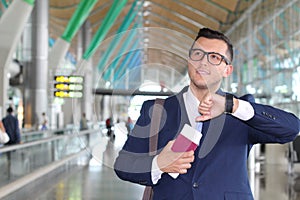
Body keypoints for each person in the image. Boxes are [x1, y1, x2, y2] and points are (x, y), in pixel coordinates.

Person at [114, 28, 300, 199]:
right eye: (197, 54)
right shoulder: (155, 110)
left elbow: (291, 128)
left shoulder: (240, 112)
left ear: (228, 70)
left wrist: (232, 106)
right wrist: (158, 164)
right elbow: (123, 166)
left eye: (214, 57)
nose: (203, 61)